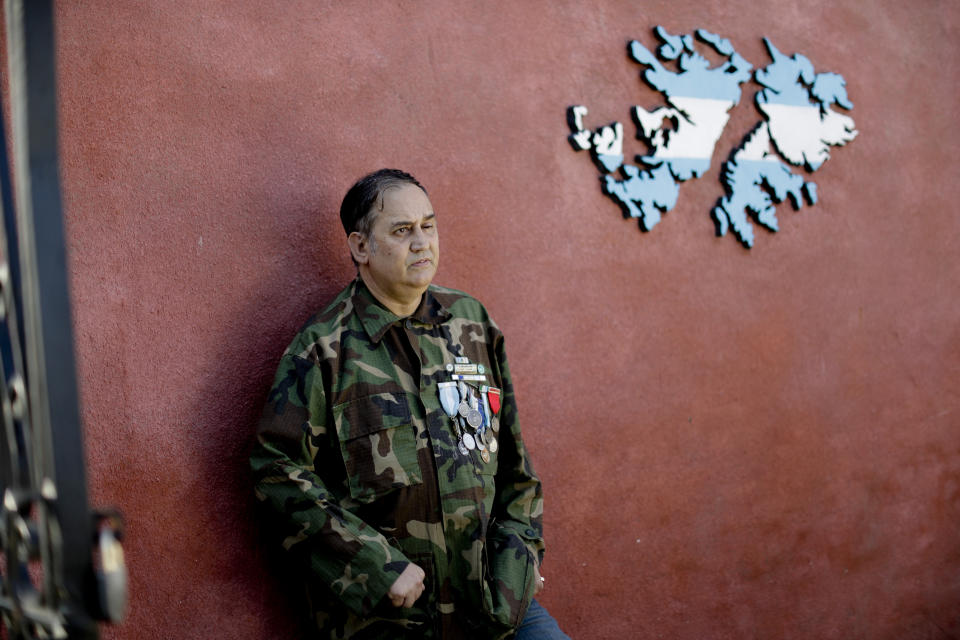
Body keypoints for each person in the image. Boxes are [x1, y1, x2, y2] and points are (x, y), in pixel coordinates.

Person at [251, 169, 570, 639]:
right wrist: (374, 566)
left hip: (491, 603)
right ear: (361, 247)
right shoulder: (323, 349)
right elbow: (275, 471)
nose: (422, 242)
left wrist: (521, 556)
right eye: (402, 231)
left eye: (429, 225)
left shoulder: (472, 323)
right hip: (392, 616)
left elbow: (513, 462)